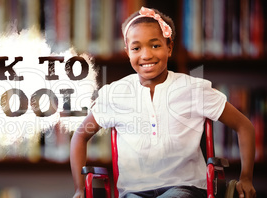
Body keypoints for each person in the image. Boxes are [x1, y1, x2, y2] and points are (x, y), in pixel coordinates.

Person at [70, 6, 256, 198]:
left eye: (155, 45)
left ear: (169, 47)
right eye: (136, 48)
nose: (146, 55)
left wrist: (246, 178)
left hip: (185, 188)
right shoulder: (116, 93)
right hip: (134, 191)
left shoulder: (193, 89)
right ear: (127, 52)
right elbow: (80, 136)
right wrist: (79, 189)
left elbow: (244, 126)